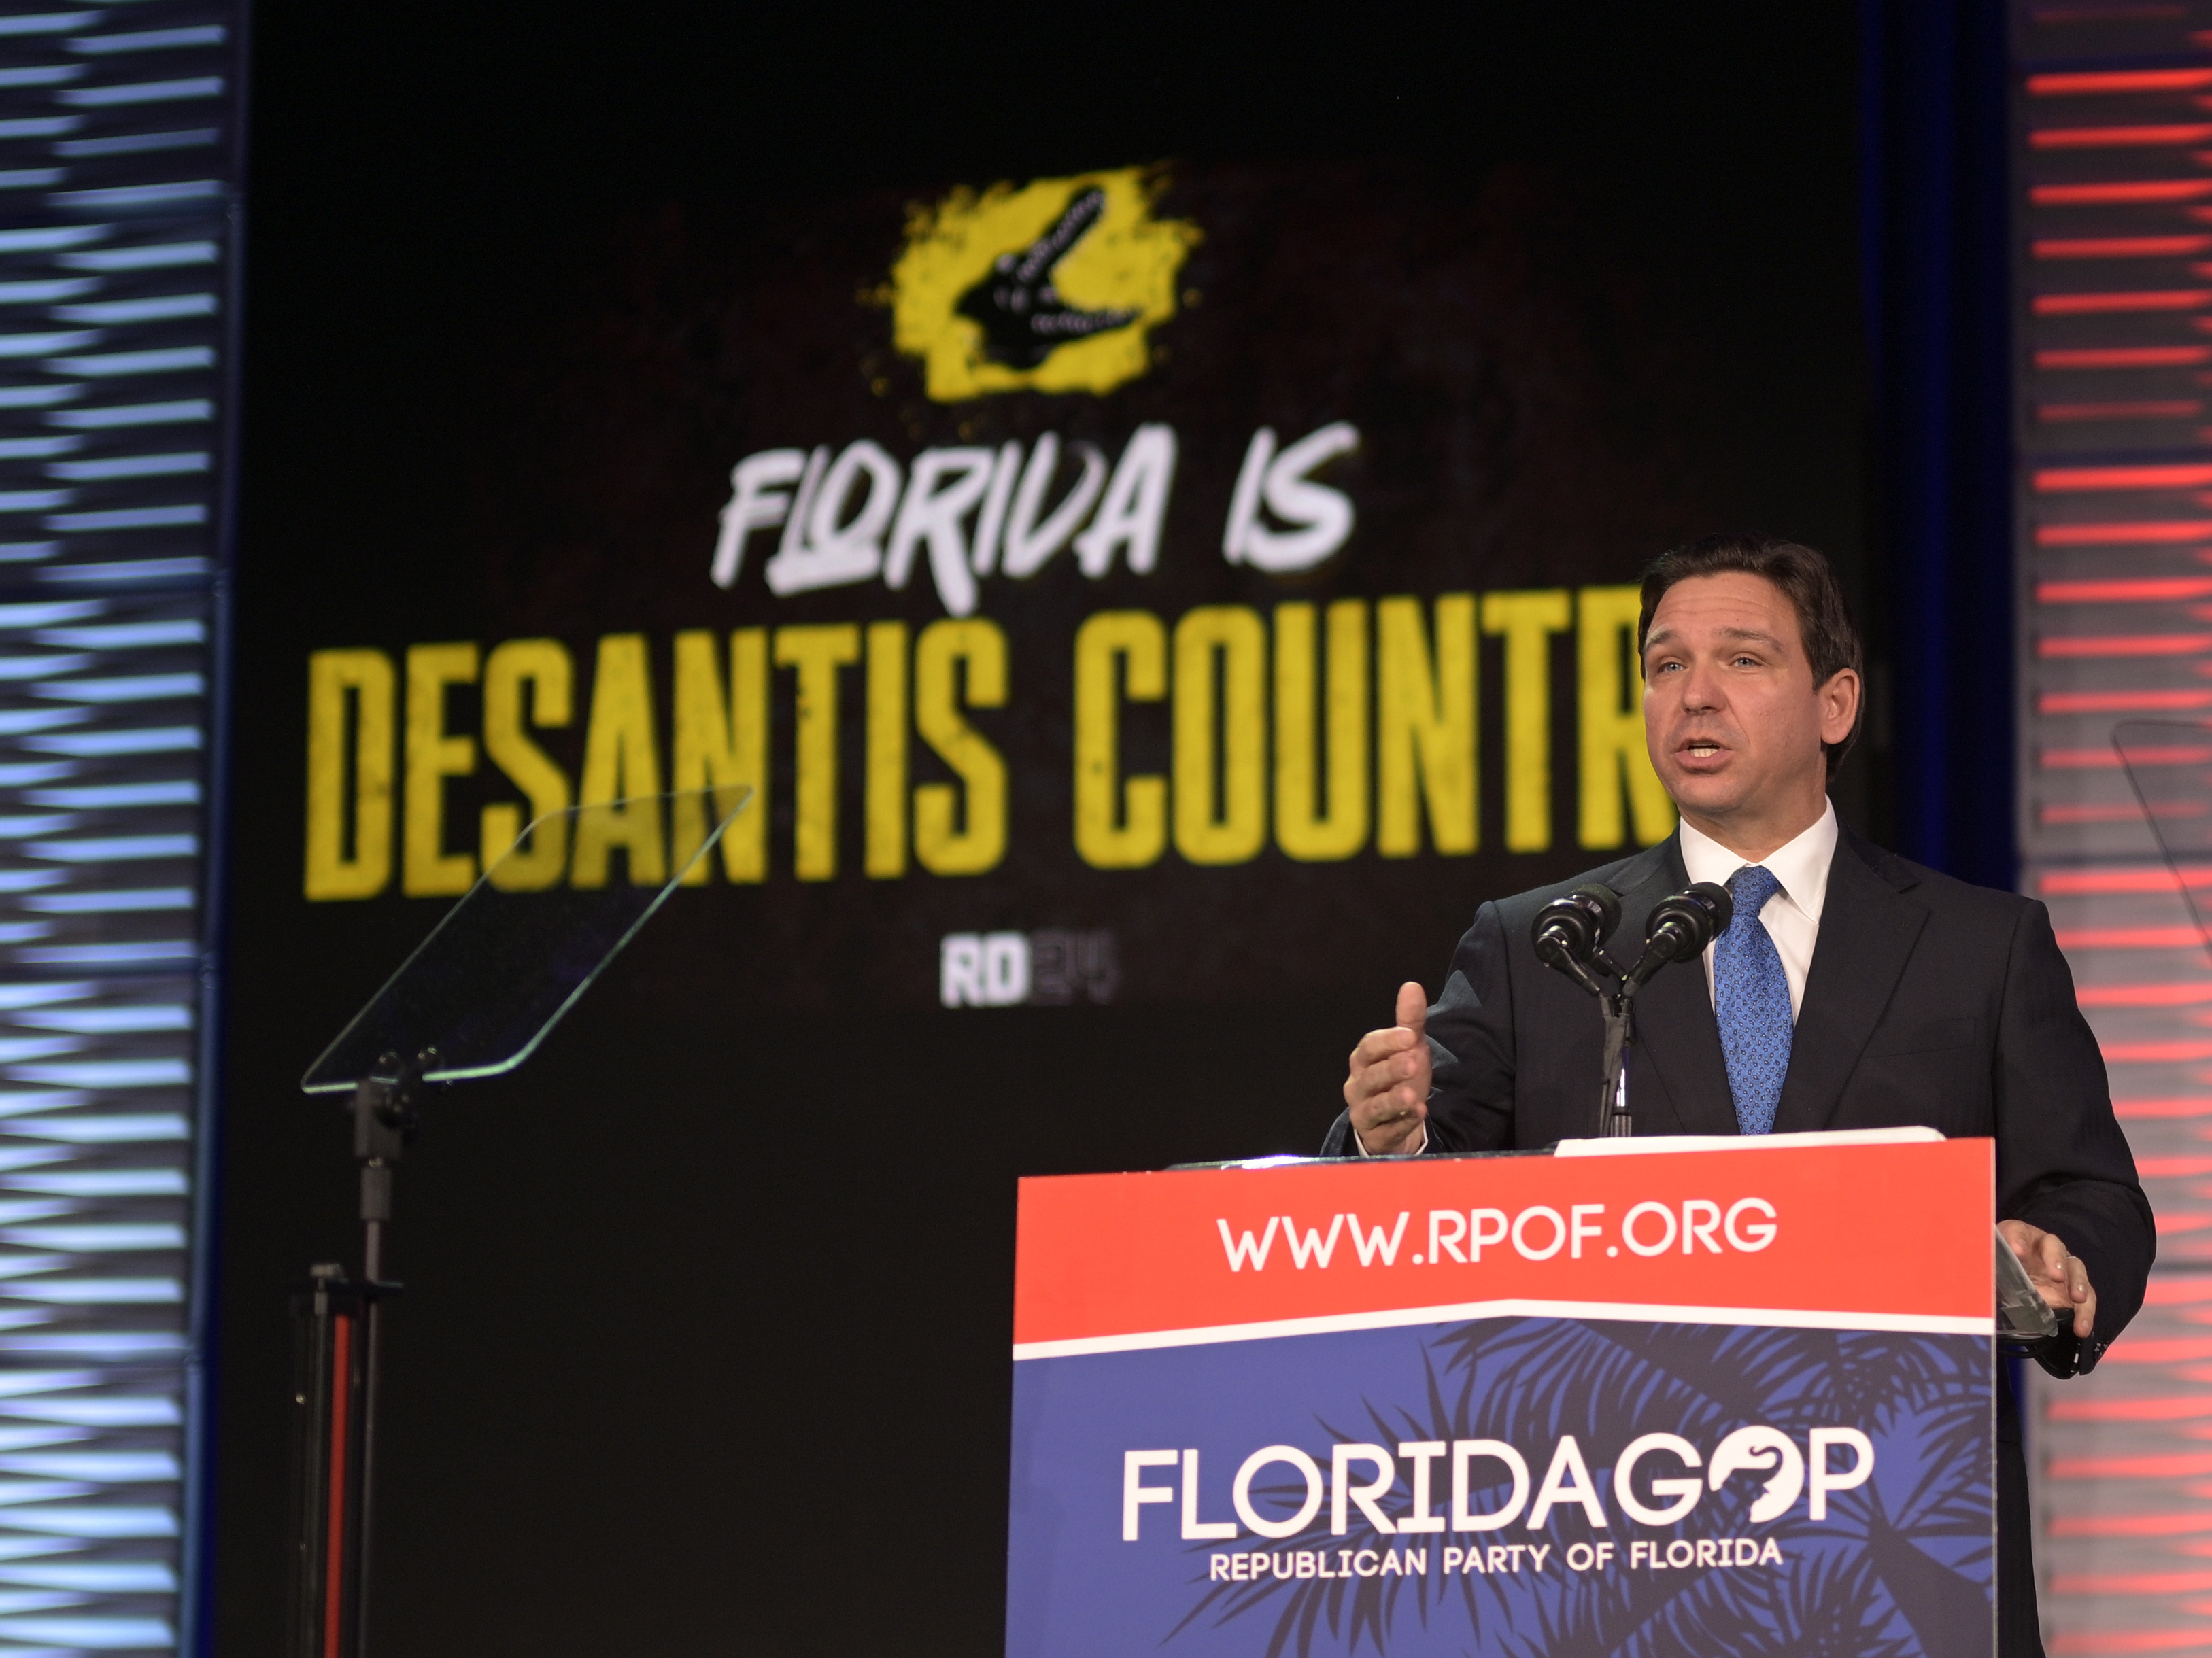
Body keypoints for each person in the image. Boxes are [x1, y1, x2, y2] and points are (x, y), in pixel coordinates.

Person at [1331, 533, 2151, 1658]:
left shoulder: (1979, 945)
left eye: (1742, 660)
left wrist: (2054, 1257)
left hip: (1900, 1534)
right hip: (1615, 1543)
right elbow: (1413, 1214)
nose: (1693, 696)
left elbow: (2091, 1194)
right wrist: (1390, 1138)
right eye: (1665, 666)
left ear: (1835, 702)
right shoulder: (1543, 945)